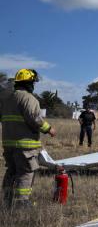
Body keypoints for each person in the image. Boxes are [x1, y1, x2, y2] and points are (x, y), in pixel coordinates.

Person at [0, 69, 56, 208]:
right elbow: (34, 118)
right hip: (24, 145)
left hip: (8, 143)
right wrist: (49, 129)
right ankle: (21, 203)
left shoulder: (7, 98)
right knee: (26, 172)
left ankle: (7, 200)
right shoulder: (29, 98)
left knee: (12, 171)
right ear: (29, 83)